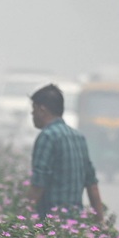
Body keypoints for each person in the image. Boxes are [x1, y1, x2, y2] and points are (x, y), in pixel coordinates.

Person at [28, 84, 104, 222]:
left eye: (33, 110)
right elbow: (92, 186)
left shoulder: (47, 137)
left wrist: (22, 217)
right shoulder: (78, 137)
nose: (32, 115)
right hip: (73, 225)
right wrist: (101, 223)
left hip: (50, 223)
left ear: (42, 110)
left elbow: (38, 184)